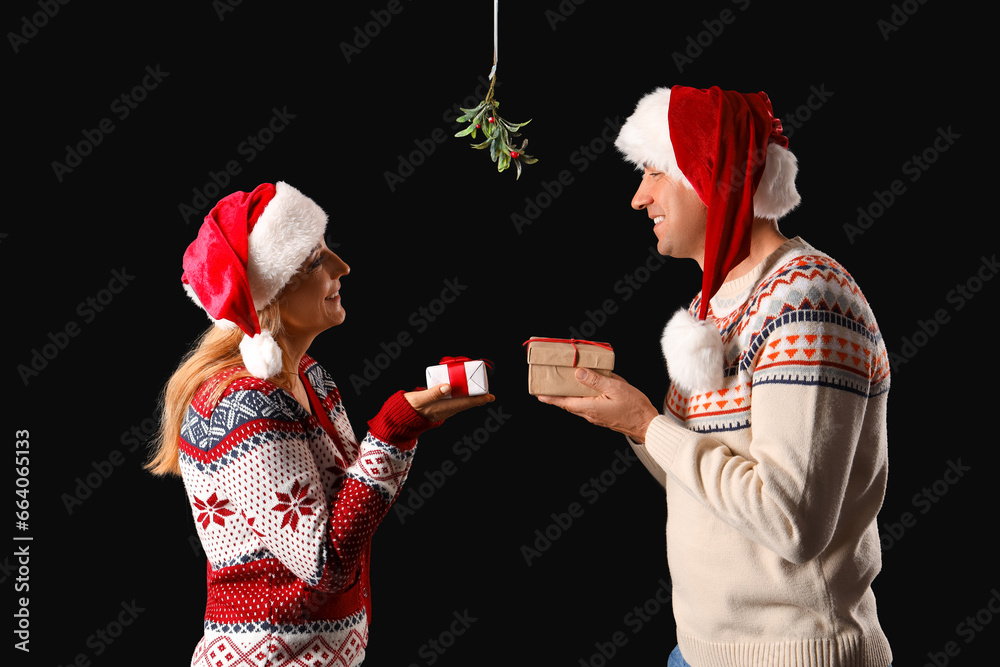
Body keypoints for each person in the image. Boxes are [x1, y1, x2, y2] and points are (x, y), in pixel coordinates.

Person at [537, 86, 893, 666]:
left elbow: (791, 520)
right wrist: (631, 425)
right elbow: (710, 489)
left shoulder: (808, 301)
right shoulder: (717, 306)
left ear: (709, 172)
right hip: (703, 653)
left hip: (792, 656)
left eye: (654, 172)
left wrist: (650, 424)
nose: (638, 197)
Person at [146, 181, 493, 667]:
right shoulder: (242, 403)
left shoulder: (311, 377)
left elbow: (351, 509)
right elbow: (324, 562)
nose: (342, 268)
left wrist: (410, 425)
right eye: (315, 261)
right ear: (268, 293)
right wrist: (397, 429)